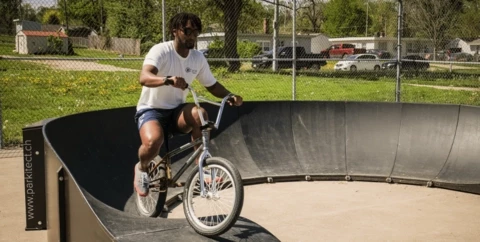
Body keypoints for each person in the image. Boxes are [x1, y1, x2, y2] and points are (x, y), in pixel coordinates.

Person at [133, 13, 243, 197]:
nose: (192, 36)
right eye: (188, 31)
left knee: (199, 113)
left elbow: (212, 85)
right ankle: (142, 168)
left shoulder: (197, 58)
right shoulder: (161, 51)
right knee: (153, 142)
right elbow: (144, 77)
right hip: (151, 109)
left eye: (196, 32)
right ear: (175, 31)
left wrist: (230, 96)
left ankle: (203, 167)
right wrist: (167, 80)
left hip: (177, 111)